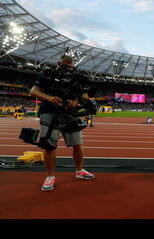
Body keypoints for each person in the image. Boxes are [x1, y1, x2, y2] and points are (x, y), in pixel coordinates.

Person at [30, 55, 95, 192]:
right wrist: (50, 98)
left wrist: (75, 103)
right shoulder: (48, 74)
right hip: (49, 112)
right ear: (59, 63)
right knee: (49, 146)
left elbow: (85, 96)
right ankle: (50, 176)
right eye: (65, 65)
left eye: (69, 66)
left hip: (70, 114)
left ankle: (79, 170)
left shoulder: (78, 78)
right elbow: (33, 91)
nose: (67, 68)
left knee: (77, 144)